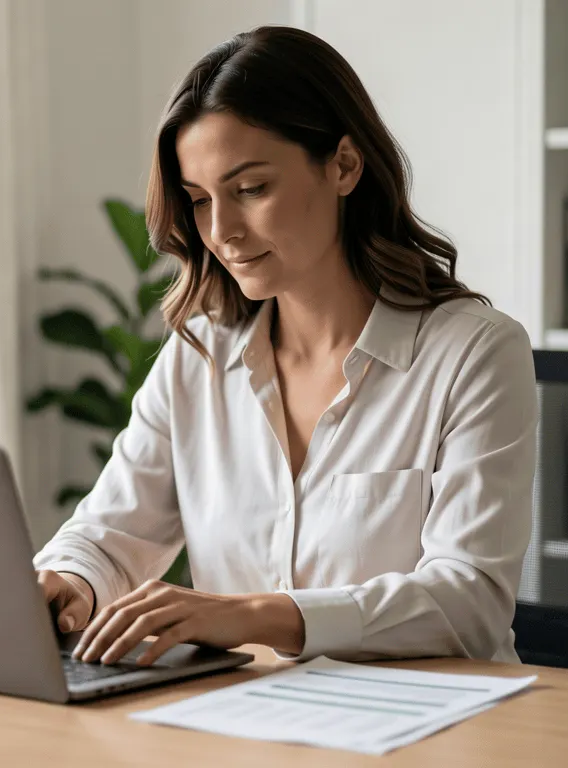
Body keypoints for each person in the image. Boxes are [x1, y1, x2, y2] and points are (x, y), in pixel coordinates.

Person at [33, 25, 538, 669]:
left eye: (250, 190)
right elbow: (111, 534)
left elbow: (469, 602)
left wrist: (249, 615)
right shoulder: (199, 355)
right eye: (198, 201)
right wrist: (67, 582)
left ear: (344, 166)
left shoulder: (474, 354)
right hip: (251, 724)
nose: (222, 232)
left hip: (439, 730)